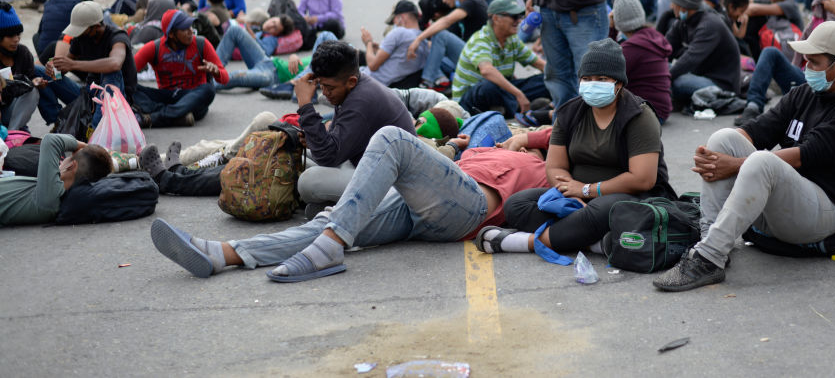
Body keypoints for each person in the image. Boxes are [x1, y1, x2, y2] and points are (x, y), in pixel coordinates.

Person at [149, 127, 550, 280]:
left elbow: (561, 130)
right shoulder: (490, 146)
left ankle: (328, 250)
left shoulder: (552, 167)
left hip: (469, 210)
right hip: (421, 208)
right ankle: (224, 254)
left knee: (390, 138)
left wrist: (532, 140)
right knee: (332, 222)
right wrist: (509, 138)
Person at [653, 22, 835, 292]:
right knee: (723, 138)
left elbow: (802, 156)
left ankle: (707, 260)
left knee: (763, 161)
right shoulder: (803, 94)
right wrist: (715, 155)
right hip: (783, 209)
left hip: (824, 216)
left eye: (814, 62)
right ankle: (711, 242)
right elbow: (755, 131)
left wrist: (732, 166)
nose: (806, 68)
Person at [476, 38, 674, 257]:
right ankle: (592, 242)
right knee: (517, 204)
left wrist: (588, 189)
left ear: (618, 84)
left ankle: (524, 242)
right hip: (577, 195)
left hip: (628, 196)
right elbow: (554, 166)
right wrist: (569, 189)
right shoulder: (570, 113)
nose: (593, 84)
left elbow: (643, 179)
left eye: (602, 79)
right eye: (587, 79)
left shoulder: (638, 115)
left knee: (602, 211)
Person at [291, 40, 417, 211]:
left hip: (393, 187)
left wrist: (305, 105)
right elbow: (334, 148)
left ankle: (339, 208)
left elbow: (328, 156)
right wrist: (312, 138)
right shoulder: (353, 86)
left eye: (329, 87)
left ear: (350, 81)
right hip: (358, 163)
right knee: (291, 156)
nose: (325, 93)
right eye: (321, 85)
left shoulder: (361, 101)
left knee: (308, 181)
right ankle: (335, 207)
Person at [45, 1, 137, 128]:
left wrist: (73, 64)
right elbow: (65, 67)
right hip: (90, 94)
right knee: (37, 71)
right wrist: (54, 69)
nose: (80, 34)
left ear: (96, 26)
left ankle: (96, 129)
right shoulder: (82, 38)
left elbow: (115, 64)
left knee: (111, 73)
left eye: (83, 30)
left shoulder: (118, 37)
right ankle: (60, 123)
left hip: (117, 98)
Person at [452, 0, 548, 118]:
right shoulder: (480, 39)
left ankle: (512, 108)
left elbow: (539, 64)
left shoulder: (512, 39)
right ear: (496, 19)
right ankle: (525, 112)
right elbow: (486, 71)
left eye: (520, 16)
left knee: (546, 79)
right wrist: (519, 94)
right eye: (514, 17)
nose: (518, 21)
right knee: (489, 86)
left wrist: (564, 80)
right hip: (470, 99)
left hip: (503, 92)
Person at [133, 9, 229, 127]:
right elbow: (128, 73)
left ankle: (152, 118)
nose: (190, 31)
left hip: (193, 98)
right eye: (184, 29)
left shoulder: (201, 43)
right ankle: (176, 116)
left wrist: (216, 71)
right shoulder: (154, 48)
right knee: (129, 89)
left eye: (190, 26)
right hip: (167, 96)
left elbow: (225, 79)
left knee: (208, 89)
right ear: (172, 34)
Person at [0, 135, 110, 226]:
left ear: (72, 165)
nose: (61, 161)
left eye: (67, 158)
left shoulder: (50, 197)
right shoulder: (50, 193)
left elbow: (51, 141)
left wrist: (85, 146)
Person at [665, 0, 741, 104]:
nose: (671, 6)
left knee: (677, 81)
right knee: (659, 68)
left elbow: (689, 60)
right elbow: (664, 48)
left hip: (720, 84)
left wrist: (660, 77)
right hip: (699, 76)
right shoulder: (682, 21)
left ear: (683, 6)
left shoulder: (709, 25)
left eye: (673, 3)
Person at [409, 0, 489, 90]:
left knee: (440, 36)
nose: (445, 1)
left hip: (478, 58)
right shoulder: (464, 8)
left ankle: (427, 83)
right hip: (471, 57)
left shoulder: (472, 2)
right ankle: (442, 81)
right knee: (428, 52)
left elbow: (446, 22)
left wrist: (418, 39)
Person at [612, 0, 672, 123]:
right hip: (660, 109)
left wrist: (611, 28)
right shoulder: (652, 36)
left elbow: (609, 73)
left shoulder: (632, 47)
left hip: (647, 112)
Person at [358, 0, 429, 88]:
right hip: (387, 87)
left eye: (394, 20)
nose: (393, 24)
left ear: (401, 18)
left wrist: (368, 42)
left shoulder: (399, 32)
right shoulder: (424, 43)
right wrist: (378, 49)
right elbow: (397, 57)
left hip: (367, 82)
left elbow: (372, 65)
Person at [0, 4, 40, 130]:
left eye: (18, 35)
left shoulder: (23, 53)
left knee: (33, 91)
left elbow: (31, 77)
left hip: (15, 113)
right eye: (10, 36)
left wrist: (35, 81)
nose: (16, 39)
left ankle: (12, 133)